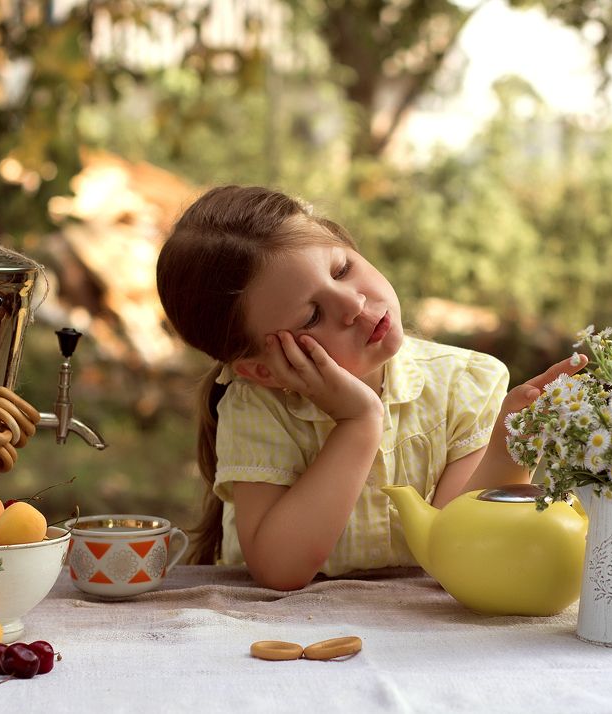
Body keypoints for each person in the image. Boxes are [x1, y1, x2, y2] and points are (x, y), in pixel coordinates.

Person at [156, 185, 585, 590]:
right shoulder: (259, 407)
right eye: (311, 317)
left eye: (342, 269)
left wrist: (508, 446)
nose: (353, 304)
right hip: (291, 634)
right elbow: (279, 569)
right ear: (263, 370)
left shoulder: (465, 383)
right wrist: (358, 422)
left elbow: (456, 544)